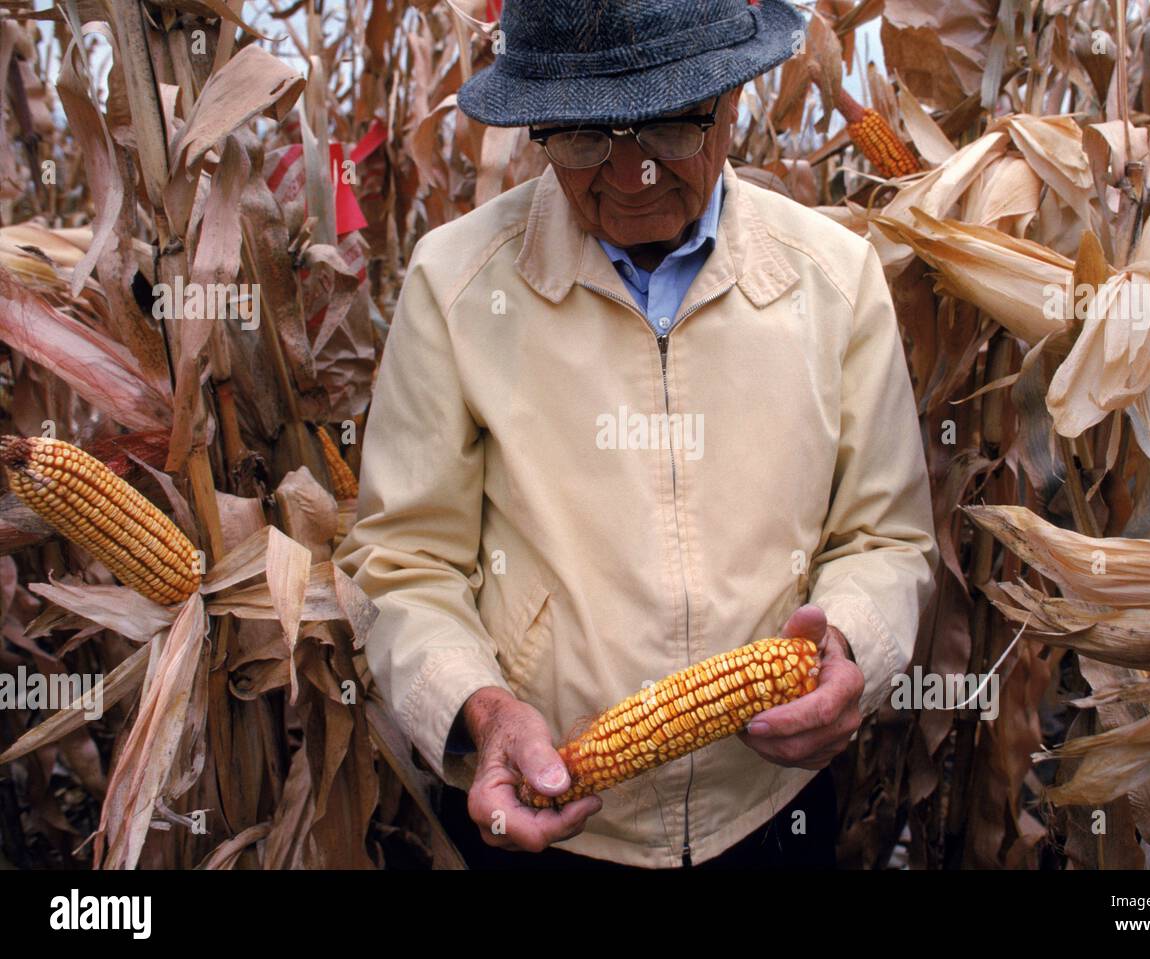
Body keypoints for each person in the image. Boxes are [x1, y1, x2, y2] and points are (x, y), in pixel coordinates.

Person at [333, 0, 937, 869]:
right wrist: (484, 707)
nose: (627, 175)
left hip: (772, 815)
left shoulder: (834, 282)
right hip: (552, 823)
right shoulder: (458, 288)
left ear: (733, 100)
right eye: (581, 137)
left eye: (663, 128)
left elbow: (886, 534)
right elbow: (404, 562)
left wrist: (850, 641)